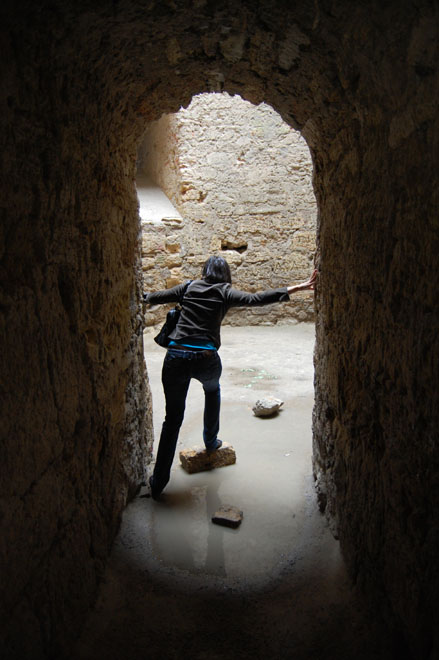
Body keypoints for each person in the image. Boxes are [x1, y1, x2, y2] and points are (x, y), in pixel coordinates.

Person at [144, 256, 317, 500]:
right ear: (226, 274)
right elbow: (257, 299)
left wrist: (142, 296)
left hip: (176, 357)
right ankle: (211, 441)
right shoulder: (225, 291)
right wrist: (296, 287)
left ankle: (158, 483)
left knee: (172, 420)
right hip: (206, 358)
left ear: (204, 271)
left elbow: (157, 297)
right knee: (212, 390)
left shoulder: (189, 286)